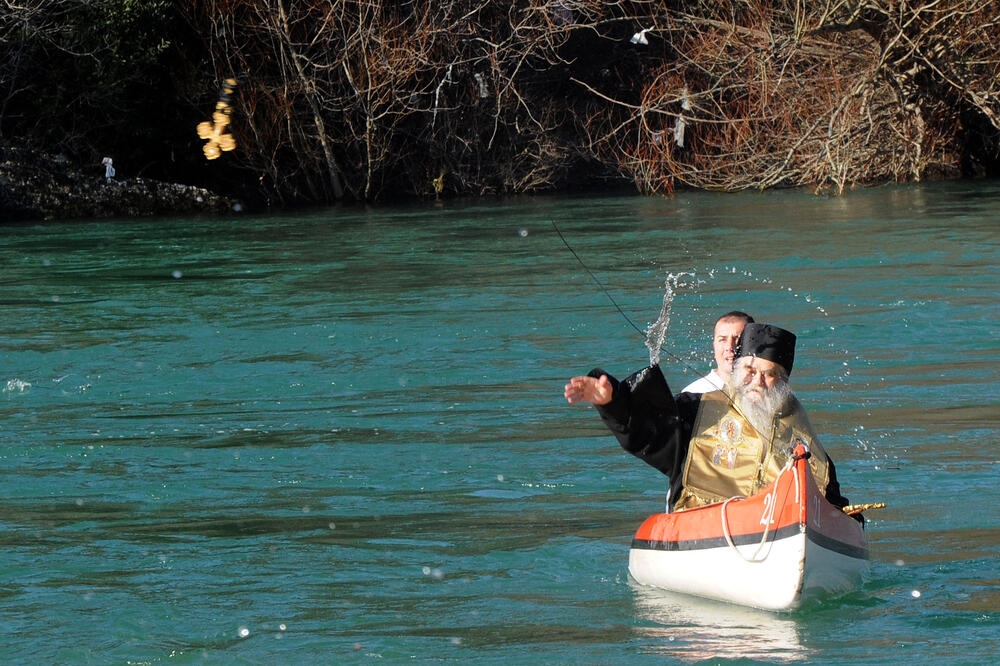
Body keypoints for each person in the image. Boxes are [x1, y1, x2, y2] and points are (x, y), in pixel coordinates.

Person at [564, 322, 856, 516]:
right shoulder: (698, 410)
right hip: (704, 530)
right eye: (750, 372)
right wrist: (612, 400)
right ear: (736, 370)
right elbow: (648, 430)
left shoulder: (804, 440)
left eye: (770, 375)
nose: (758, 382)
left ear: (783, 383)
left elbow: (835, 509)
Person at [681, 311, 754, 393]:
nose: (729, 347)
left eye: (738, 339)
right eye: (722, 340)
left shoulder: (765, 391)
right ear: (714, 346)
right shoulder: (694, 393)